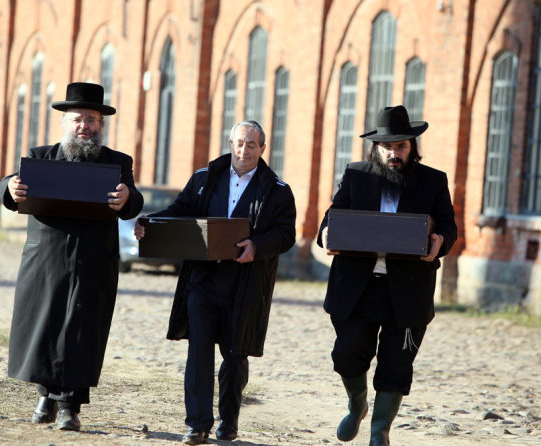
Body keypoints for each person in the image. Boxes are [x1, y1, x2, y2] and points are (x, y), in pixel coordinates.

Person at [134, 120, 296, 444]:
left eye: (252, 145)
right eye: (239, 143)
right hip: (202, 280)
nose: (243, 150)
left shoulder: (278, 190)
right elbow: (180, 211)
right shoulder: (204, 179)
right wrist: (150, 223)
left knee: (235, 356)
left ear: (263, 148)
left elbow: (286, 234)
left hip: (245, 284)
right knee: (199, 352)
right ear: (230, 143)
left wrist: (257, 247)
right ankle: (198, 424)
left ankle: (229, 421)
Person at [0, 82, 143, 431]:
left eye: (92, 120)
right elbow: (9, 183)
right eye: (78, 119)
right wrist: (10, 187)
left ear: (101, 126)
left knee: (83, 332)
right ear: (66, 122)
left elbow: (133, 202)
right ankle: (46, 395)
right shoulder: (42, 156)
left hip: (94, 260)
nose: (85, 126)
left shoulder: (117, 163)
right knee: (45, 326)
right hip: (46, 259)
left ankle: (70, 406)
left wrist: (127, 198)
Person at [317, 105, 457, 445]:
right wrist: (325, 235)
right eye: (388, 147)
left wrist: (440, 241)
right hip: (356, 288)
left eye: (402, 146)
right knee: (348, 354)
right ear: (375, 148)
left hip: (408, 291)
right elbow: (332, 218)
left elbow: (449, 227)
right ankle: (357, 405)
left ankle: (380, 429)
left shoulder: (433, 181)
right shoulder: (356, 175)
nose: (395, 153)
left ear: (413, 146)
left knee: (397, 363)